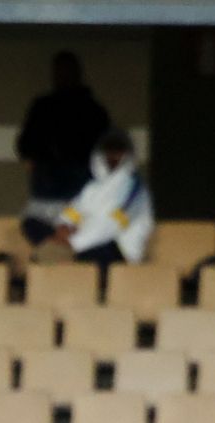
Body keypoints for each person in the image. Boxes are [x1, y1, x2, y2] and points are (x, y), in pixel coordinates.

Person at [17, 51, 112, 248]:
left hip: (80, 188)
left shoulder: (93, 111)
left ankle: (67, 246)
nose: (62, 77)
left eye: (67, 72)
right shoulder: (43, 107)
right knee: (32, 224)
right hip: (47, 190)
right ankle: (58, 245)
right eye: (59, 72)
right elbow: (26, 145)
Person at [37, 128, 153, 268]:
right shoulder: (91, 189)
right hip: (83, 246)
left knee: (83, 254)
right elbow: (73, 212)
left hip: (121, 252)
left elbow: (112, 224)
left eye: (118, 152)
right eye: (108, 151)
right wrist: (64, 226)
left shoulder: (136, 190)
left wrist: (74, 242)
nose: (112, 156)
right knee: (38, 235)